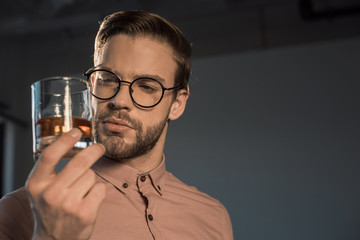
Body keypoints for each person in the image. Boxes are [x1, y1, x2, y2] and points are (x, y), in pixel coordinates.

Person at [0, 10, 233, 239]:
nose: (118, 101)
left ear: (177, 104)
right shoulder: (17, 211)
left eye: (147, 86)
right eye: (107, 79)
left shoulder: (213, 217)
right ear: (92, 85)